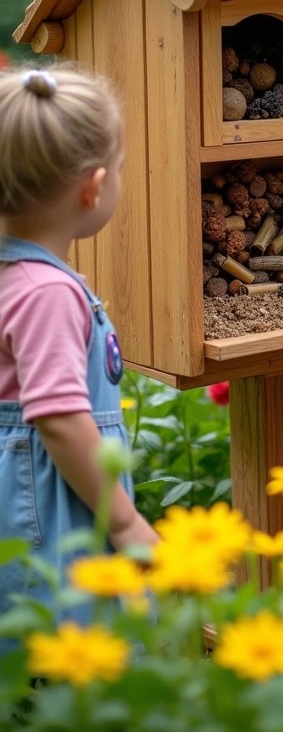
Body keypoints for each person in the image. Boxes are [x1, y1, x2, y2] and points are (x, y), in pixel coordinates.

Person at [0, 65, 157, 640]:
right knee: (71, 643)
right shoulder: (47, 294)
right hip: (54, 510)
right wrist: (126, 522)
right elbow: (60, 420)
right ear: (93, 187)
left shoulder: (14, 276)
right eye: (118, 169)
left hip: (19, 501)